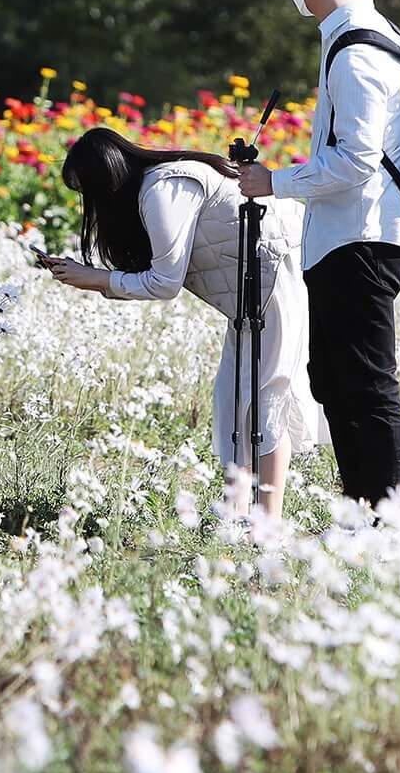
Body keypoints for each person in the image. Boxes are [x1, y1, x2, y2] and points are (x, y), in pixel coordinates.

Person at [234, 0, 400, 508]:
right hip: (354, 235)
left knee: (367, 385)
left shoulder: (356, 52)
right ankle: (363, 512)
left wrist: (273, 181)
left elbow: (356, 162)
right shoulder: (362, 36)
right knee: (337, 382)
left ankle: (387, 521)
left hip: (363, 237)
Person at [40, 127, 322, 520]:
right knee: (235, 397)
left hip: (277, 273)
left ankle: (268, 523)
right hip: (255, 284)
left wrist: (98, 279)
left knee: (265, 396)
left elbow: (164, 282)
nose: (90, 204)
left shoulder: (163, 189)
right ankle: (238, 511)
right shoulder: (158, 185)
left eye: (88, 191)